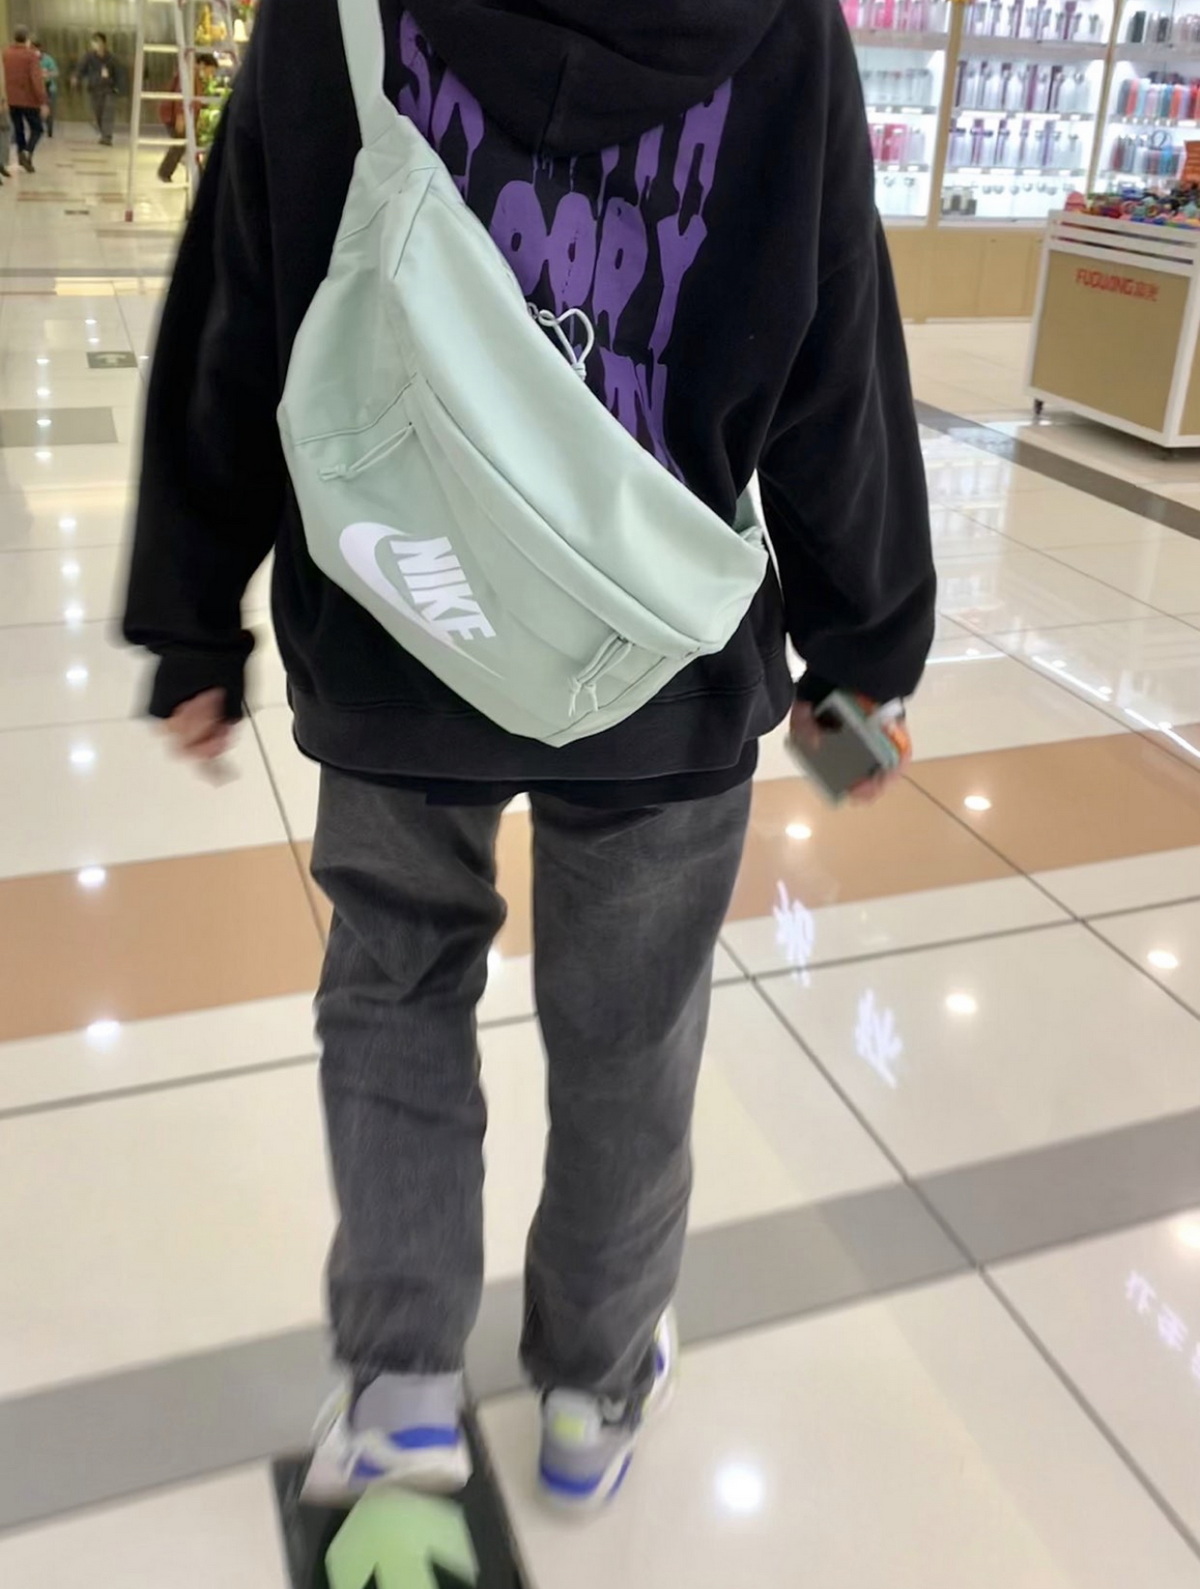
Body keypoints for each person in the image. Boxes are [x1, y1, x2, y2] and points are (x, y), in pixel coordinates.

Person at [123, 0, 934, 1513]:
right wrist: (863, 667)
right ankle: (593, 1385)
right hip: (660, 657)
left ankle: (402, 1389)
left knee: (395, 991)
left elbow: (244, 291)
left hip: (397, 618)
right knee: (632, 1034)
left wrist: (189, 624)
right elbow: (837, 359)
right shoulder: (780, 31)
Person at [157, 54, 217, 183]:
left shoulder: (194, 76)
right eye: (210, 70)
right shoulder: (189, 75)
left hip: (183, 116)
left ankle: (169, 172)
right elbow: (181, 95)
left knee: (185, 144)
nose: (210, 75)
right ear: (202, 65)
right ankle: (165, 172)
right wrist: (180, 116)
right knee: (181, 144)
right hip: (178, 117)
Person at [2, 25, 47, 174]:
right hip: (29, 100)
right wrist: (42, 101)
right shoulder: (31, 55)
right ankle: (27, 152)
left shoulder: (6, 53)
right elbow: (36, 80)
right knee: (37, 128)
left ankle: (22, 154)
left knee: (18, 129)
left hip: (11, 99)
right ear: (27, 38)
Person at [74, 31, 120, 146]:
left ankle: (107, 137)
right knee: (99, 113)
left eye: (97, 41)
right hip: (95, 89)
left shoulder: (112, 58)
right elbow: (81, 68)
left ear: (104, 43)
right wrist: (76, 77)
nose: (95, 44)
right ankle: (104, 134)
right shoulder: (89, 57)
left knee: (108, 113)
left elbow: (119, 73)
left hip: (109, 89)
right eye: (93, 41)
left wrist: (118, 87)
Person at [33, 40, 57, 138]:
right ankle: (37, 128)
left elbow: (55, 72)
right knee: (35, 110)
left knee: (49, 110)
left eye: (37, 49)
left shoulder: (48, 59)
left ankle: (49, 129)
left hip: (49, 87)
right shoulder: (30, 59)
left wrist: (46, 74)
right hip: (35, 88)